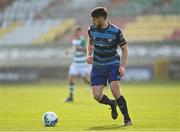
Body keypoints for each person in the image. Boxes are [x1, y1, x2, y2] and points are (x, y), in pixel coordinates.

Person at [86, 7, 132, 126]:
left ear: (101, 19)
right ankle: (112, 103)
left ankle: (127, 119)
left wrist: (122, 66)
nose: (93, 22)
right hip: (98, 66)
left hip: (112, 63)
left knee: (115, 89)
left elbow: (124, 49)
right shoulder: (91, 30)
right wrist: (89, 55)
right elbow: (90, 43)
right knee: (96, 95)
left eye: (94, 19)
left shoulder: (116, 31)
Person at [65, 25, 91, 102]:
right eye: (74, 31)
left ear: (79, 32)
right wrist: (69, 51)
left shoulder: (82, 40)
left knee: (85, 80)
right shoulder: (74, 41)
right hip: (75, 64)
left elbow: (86, 50)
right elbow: (74, 50)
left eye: (76, 31)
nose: (75, 33)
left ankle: (94, 87)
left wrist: (79, 48)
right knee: (70, 79)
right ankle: (71, 97)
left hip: (83, 65)